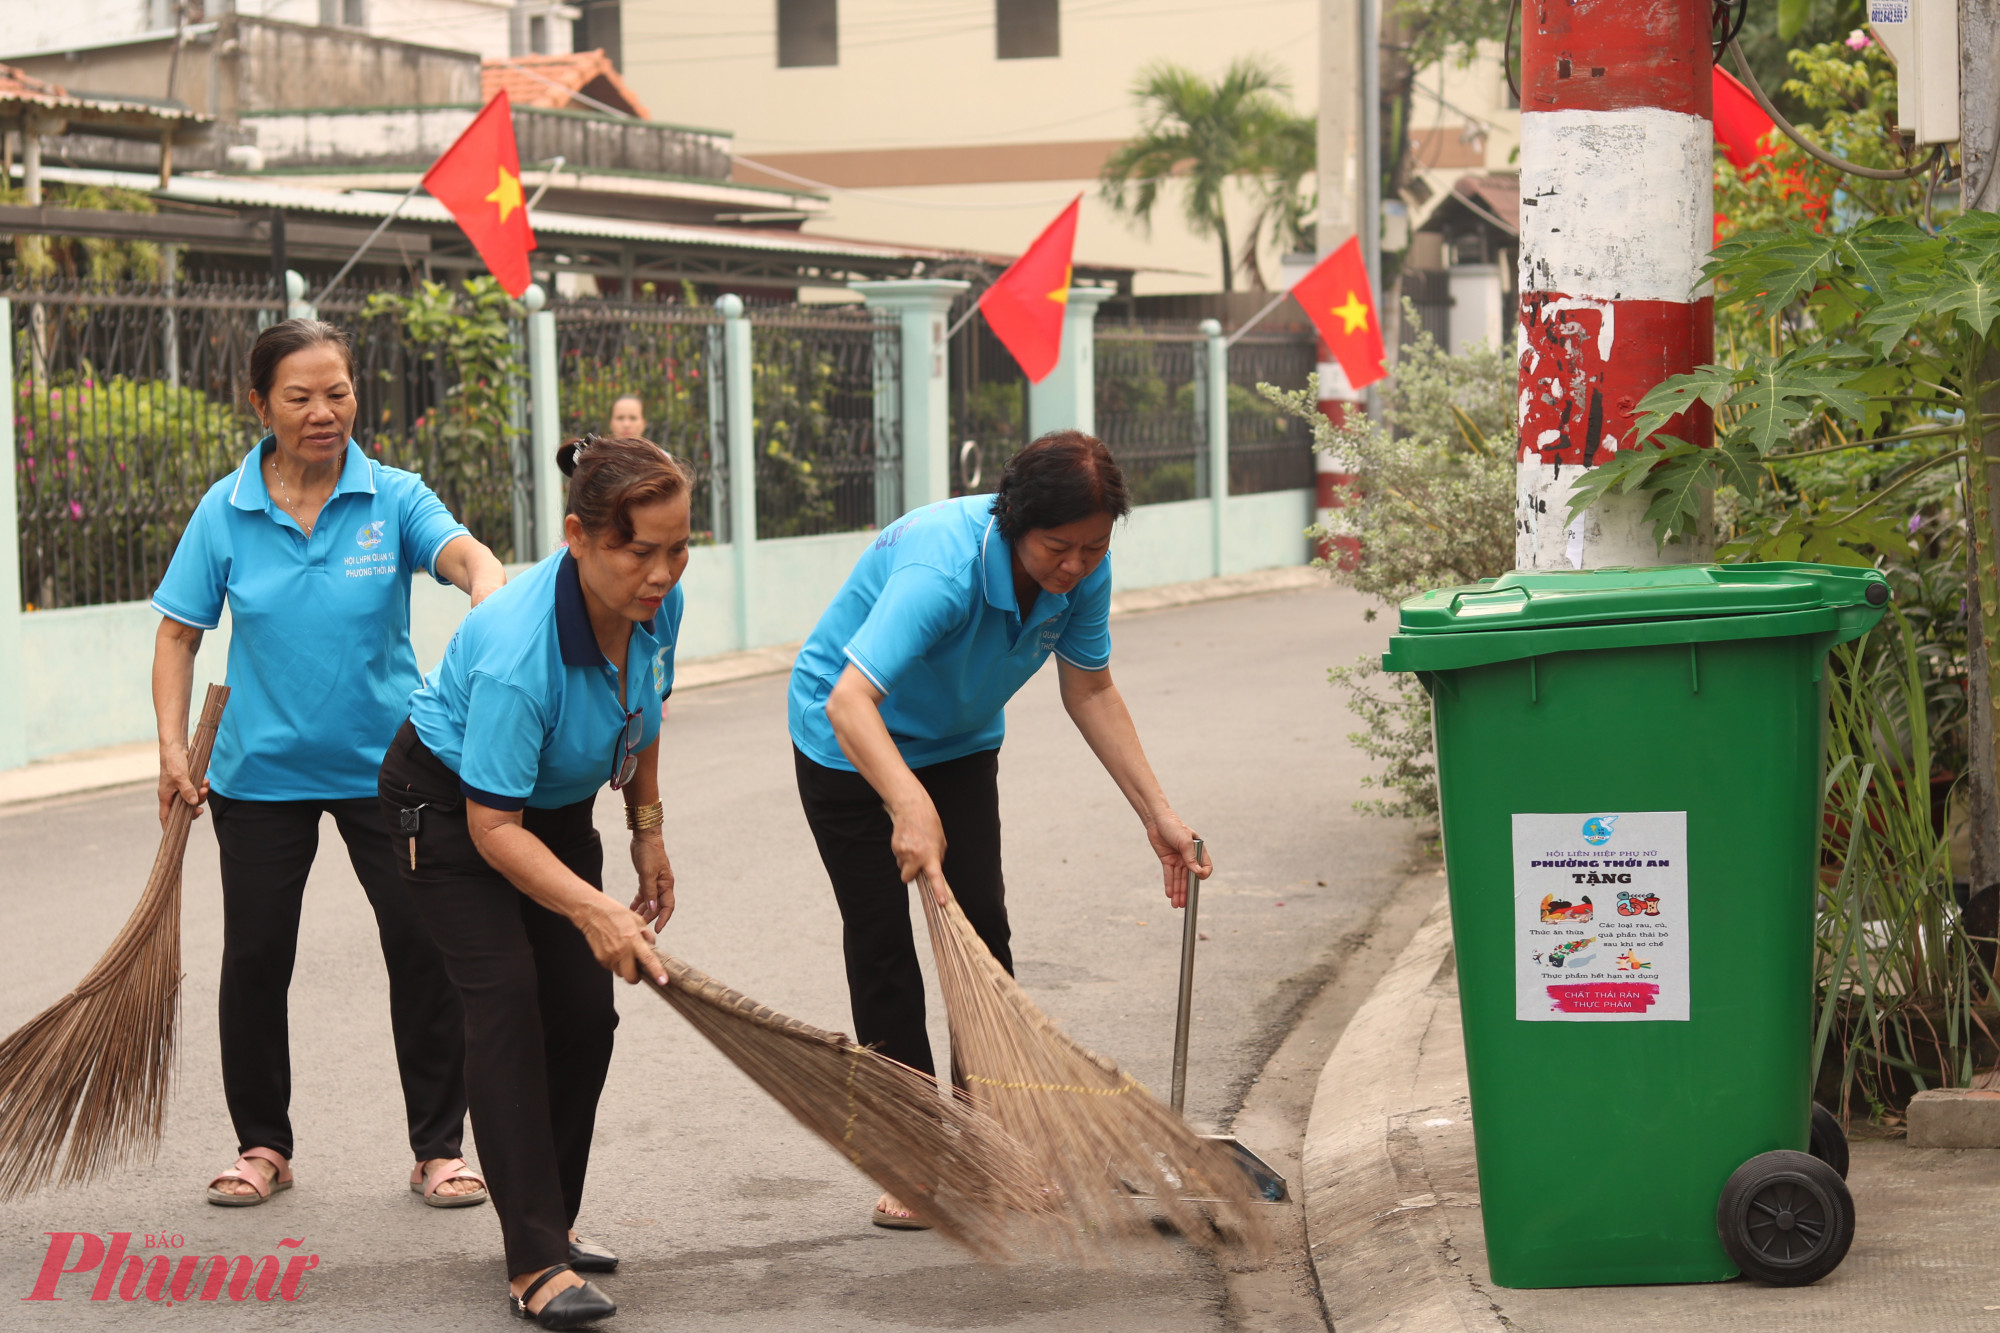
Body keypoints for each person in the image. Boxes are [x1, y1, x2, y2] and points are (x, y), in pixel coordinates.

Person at [787, 429, 1210, 1230]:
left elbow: (1090, 688)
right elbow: (849, 700)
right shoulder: (942, 567)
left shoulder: (1083, 570)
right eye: (1059, 547)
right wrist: (907, 805)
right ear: (1013, 518)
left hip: (957, 742)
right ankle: (911, 1156)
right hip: (846, 742)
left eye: (1094, 547)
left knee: (981, 929)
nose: (1076, 566)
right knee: (883, 942)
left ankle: (986, 1140)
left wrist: (1158, 811)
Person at [150, 318, 507, 1210]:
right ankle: (262, 1143)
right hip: (257, 776)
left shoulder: (391, 496)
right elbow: (177, 634)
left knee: (422, 946)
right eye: (300, 397)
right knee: (258, 957)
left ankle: (438, 1148)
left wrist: (486, 588)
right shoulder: (224, 510)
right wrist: (167, 745)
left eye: (338, 393)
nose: (323, 412)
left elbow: (463, 552)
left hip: (393, 771)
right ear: (260, 403)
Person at [378, 433, 687, 1330]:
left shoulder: (650, 600)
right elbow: (490, 829)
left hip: (549, 810)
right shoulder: (521, 649)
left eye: (678, 549)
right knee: (507, 998)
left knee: (586, 1012)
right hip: (445, 809)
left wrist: (647, 829)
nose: (662, 572)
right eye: (641, 551)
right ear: (580, 537)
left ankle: (548, 1215)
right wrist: (597, 910)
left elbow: (648, 699)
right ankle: (533, 1259)